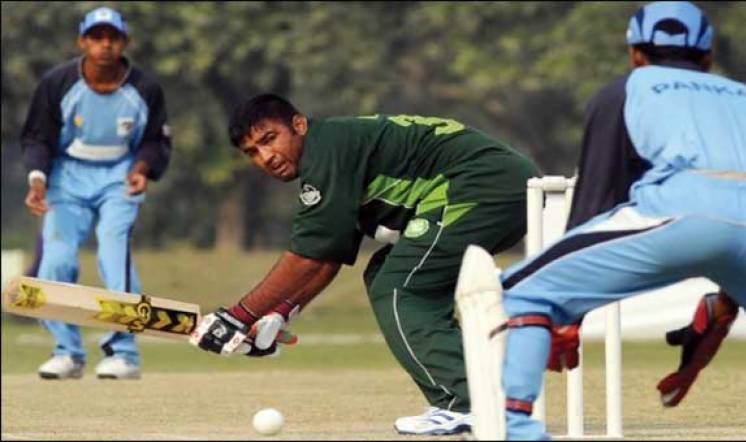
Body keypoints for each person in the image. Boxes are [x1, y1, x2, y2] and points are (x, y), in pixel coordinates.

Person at [498, 1, 746, 439]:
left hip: (684, 211)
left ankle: (518, 429)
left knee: (523, 291)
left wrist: (569, 313)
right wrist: (731, 300)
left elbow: (597, 196)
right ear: (708, 56)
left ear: (636, 53)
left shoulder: (628, 88)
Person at [188, 94, 538, 435]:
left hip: (483, 185)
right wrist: (278, 313)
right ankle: (476, 396)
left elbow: (309, 256)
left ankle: (470, 404)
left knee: (401, 286)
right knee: (385, 273)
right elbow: (328, 254)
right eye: (253, 152)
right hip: (496, 184)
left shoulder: (326, 152)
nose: (266, 156)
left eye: (269, 139)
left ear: (299, 125)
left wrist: (236, 317)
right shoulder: (332, 151)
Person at [21, 6, 172, 380]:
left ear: (124, 42)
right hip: (66, 177)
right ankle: (67, 352)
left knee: (113, 254)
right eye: (97, 37)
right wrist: (37, 179)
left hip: (118, 177)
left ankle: (123, 353)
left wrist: (142, 170)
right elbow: (38, 136)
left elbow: (155, 141)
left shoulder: (145, 88)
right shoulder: (57, 82)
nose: (105, 45)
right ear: (83, 41)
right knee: (55, 262)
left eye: (113, 38)